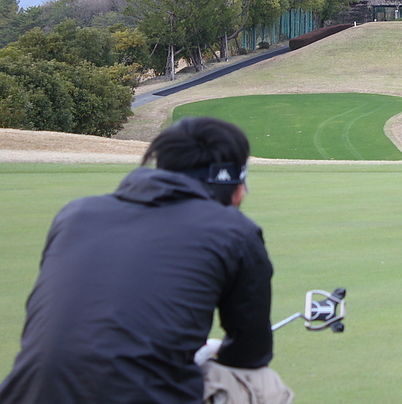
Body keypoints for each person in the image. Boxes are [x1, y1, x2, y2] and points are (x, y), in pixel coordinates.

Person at [0, 117, 293, 404]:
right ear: (237, 187)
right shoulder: (235, 229)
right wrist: (210, 353)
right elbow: (250, 353)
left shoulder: (74, 214)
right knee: (265, 387)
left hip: (24, 395)